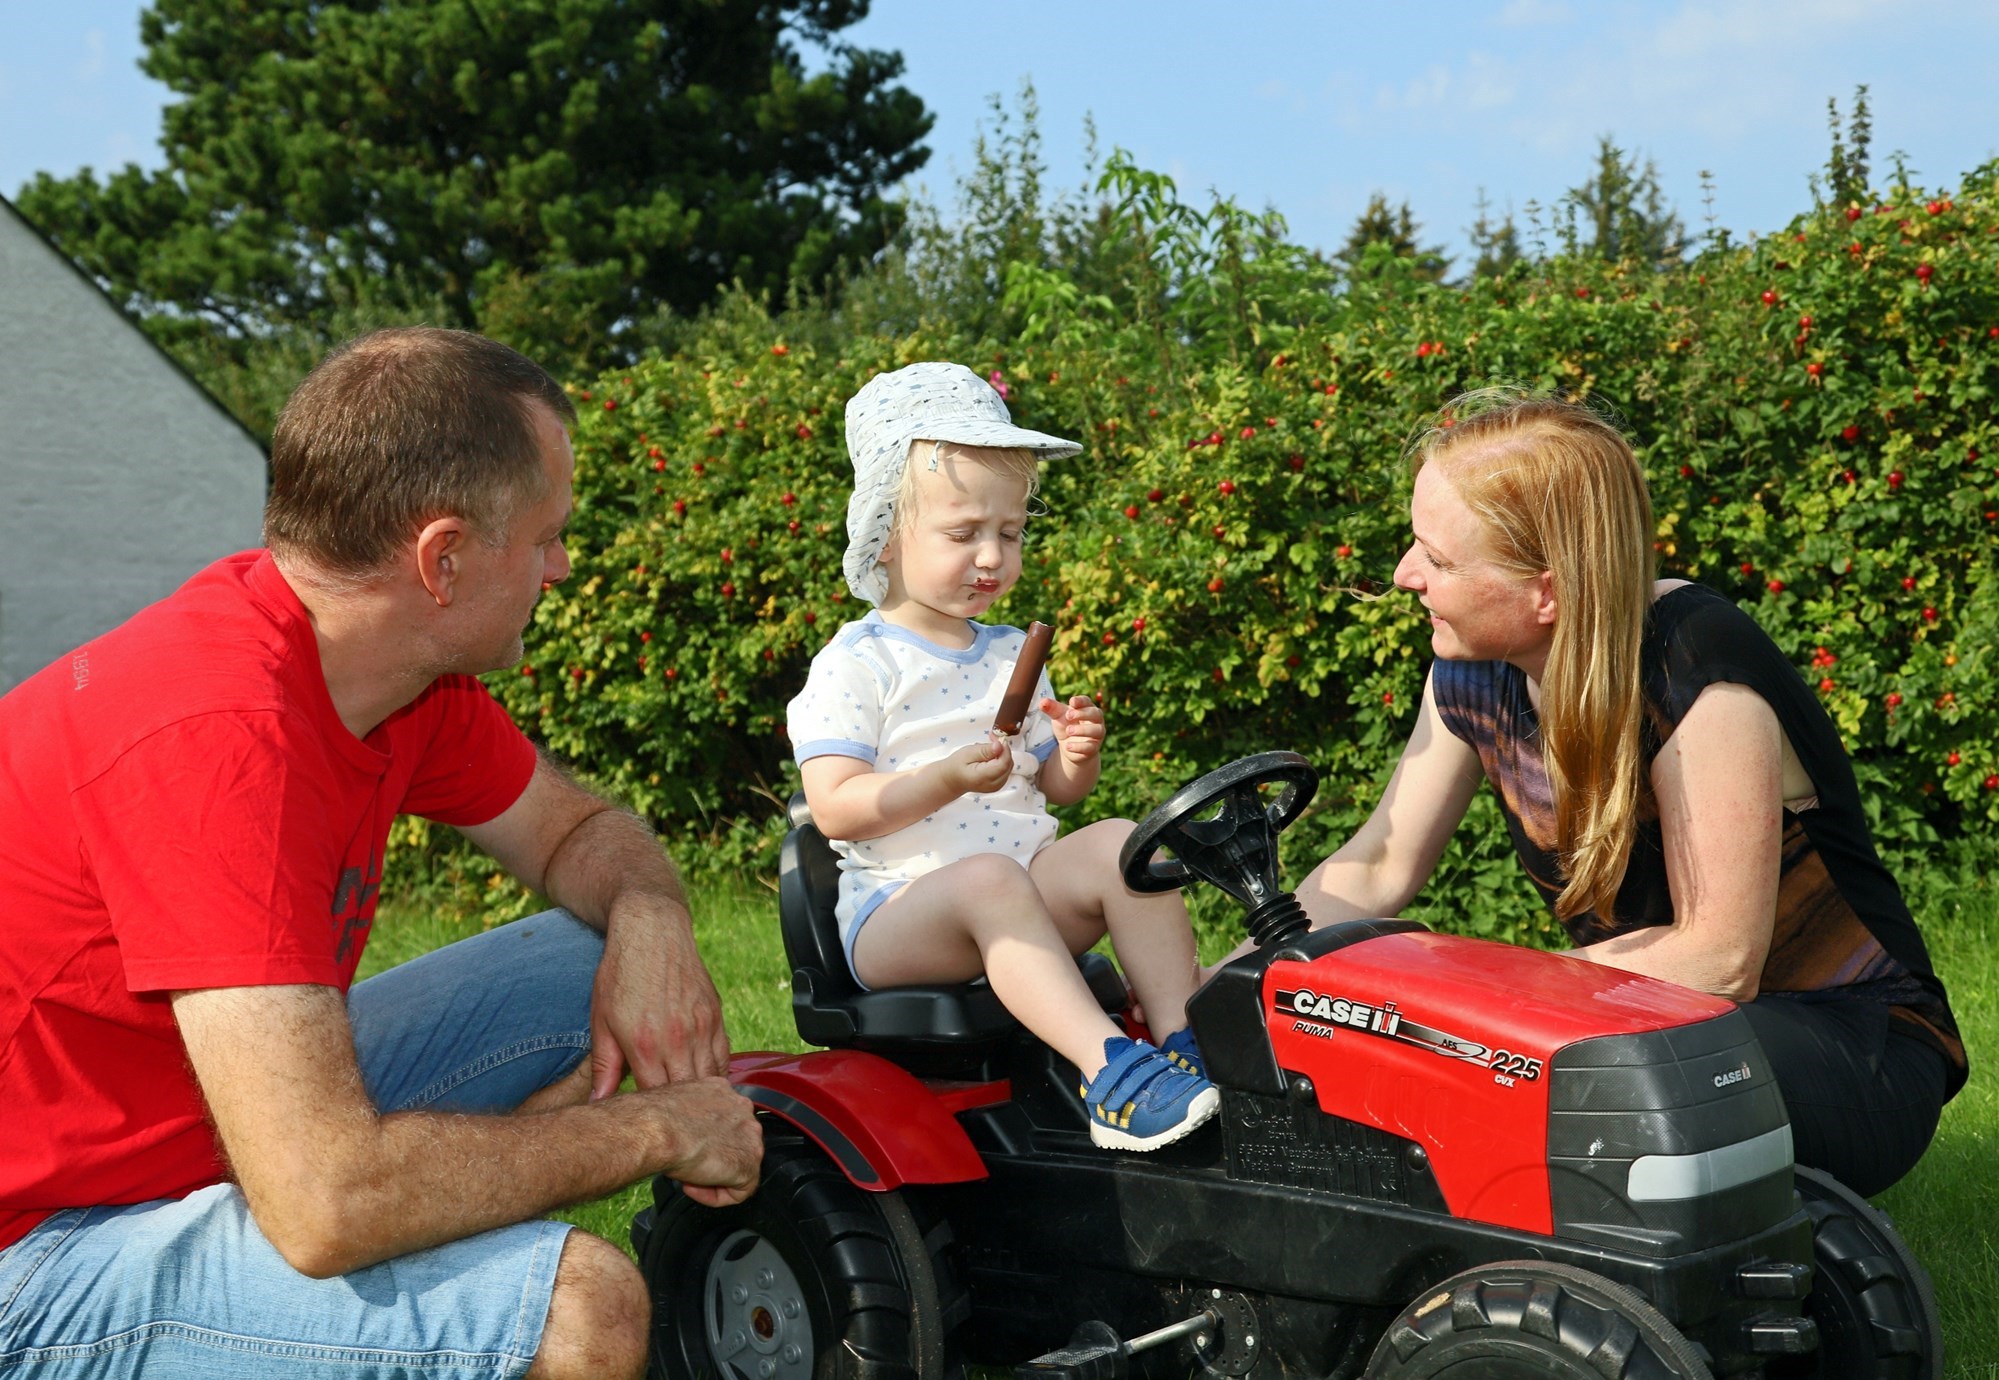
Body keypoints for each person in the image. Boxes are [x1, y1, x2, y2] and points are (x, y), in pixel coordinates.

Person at [0, 327, 764, 1380]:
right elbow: (326, 1205)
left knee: (583, 957)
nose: (563, 565)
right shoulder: (216, 740)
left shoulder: (389, 673)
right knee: (578, 1310)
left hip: (194, 1122)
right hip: (37, 1245)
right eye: (547, 535)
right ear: (441, 559)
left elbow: (579, 831)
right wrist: (657, 1132)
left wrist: (653, 919)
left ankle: (443, 1193)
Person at [1291, 386, 1964, 1196]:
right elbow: (1375, 869)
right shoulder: (1470, 672)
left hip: (1846, 1041)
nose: (1405, 576)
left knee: (1549, 1090)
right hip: (1650, 1030)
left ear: (1546, 590)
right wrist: (1241, 984)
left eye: (1436, 560)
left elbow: (1719, 960)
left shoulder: (1694, 668)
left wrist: (1483, 1019)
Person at [786, 361, 1218, 1151]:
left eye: (1009, 533)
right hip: (899, 915)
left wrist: (1077, 754)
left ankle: (1180, 1041)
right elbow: (836, 806)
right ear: (883, 537)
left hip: (1016, 889)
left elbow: (1053, 788)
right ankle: (1109, 1074)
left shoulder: (1013, 654)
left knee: (1122, 843)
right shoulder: (859, 662)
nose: (992, 557)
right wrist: (943, 780)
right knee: (989, 881)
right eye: (963, 534)